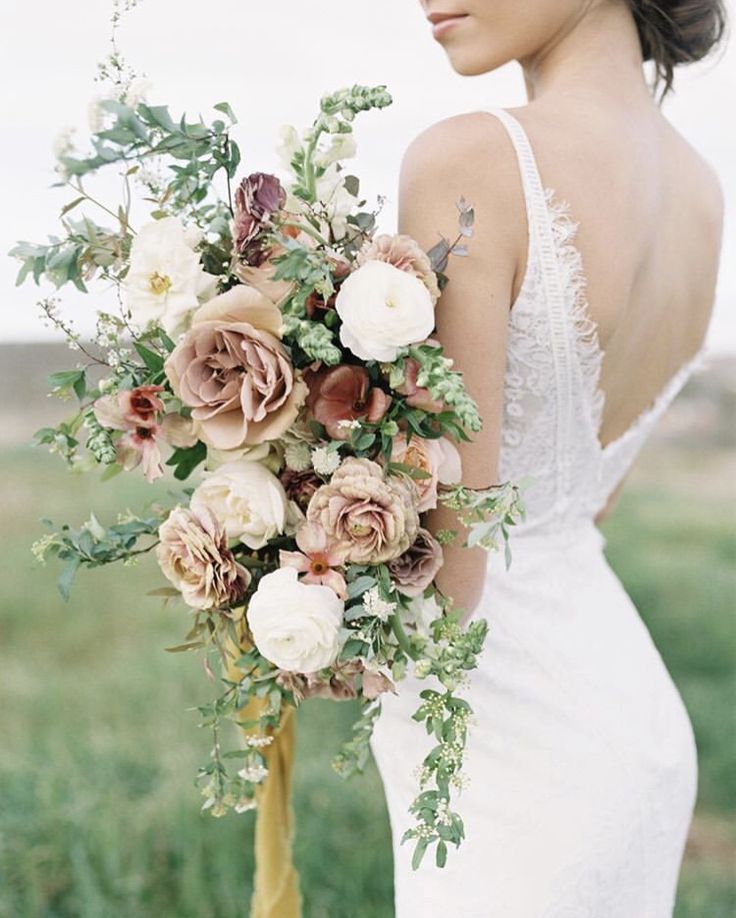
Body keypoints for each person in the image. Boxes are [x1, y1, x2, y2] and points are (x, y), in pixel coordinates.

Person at [368, 1, 727, 915]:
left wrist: (279, 565)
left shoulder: (468, 160)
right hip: (629, 724)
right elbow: (579, 502)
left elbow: (450, 577)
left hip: (508, 757)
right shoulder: (702, 193)